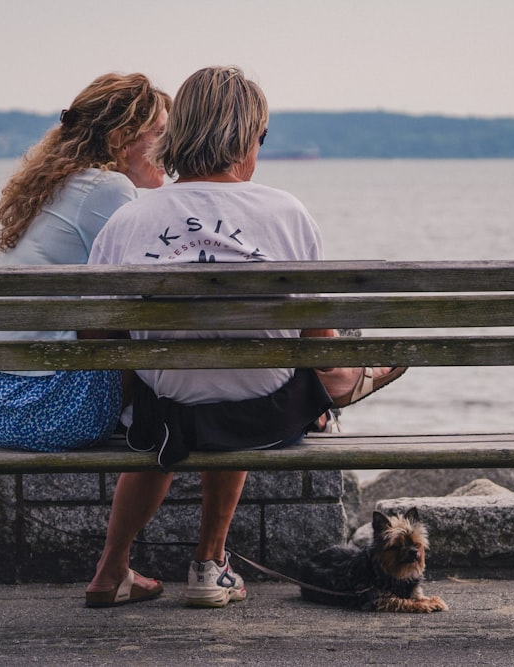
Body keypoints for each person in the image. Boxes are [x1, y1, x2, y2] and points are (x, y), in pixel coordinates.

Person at [84, 66, 403, 608]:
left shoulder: (130, 220)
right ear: (245, 137)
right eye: (261, 136)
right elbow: (318, 338)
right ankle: (210, 565)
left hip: (163, 422)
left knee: (198, 380)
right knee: (280, 369)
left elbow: (98, 337)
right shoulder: (287, 213)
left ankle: (115, 569)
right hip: (262, 418)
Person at [0, 73, 170, 452]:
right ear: (122, 138)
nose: (170, 148)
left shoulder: (54, 183)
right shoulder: (108, 188)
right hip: (45, 412)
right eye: (159, 133)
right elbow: (151, 290)